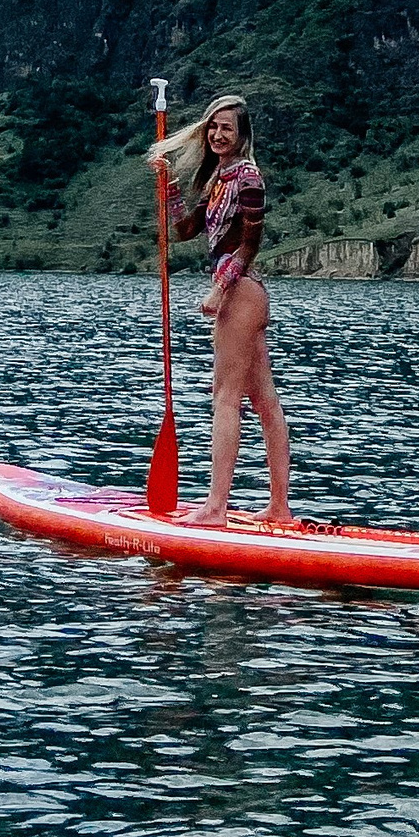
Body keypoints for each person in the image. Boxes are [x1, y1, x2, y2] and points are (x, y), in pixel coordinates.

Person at [149, 92, 292, 524]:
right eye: (212, 126)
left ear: (242, 135)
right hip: (242, 293)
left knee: (225, 397)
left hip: (241, 292)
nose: (216, 134)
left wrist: (219, 290)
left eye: (226, 127)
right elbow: (186, 230)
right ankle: (279, 509)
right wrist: (169, 188)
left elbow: (250, 245)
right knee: (264, 400)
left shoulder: (248, 178)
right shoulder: (218, 179)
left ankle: (215, 508)